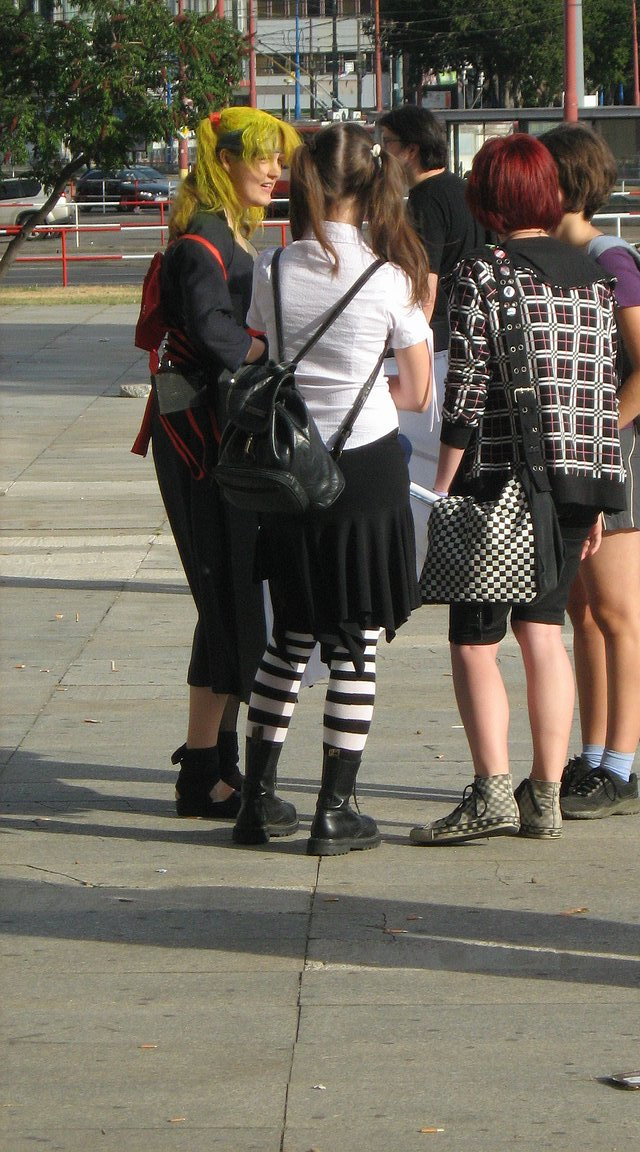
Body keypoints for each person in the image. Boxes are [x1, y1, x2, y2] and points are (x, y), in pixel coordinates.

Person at [409, 133, 627, 847]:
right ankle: (547, 795)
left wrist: (442, 487)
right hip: (576, 484)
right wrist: (601, 498)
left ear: (488, 198)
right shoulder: (594, 277)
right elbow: (601, 392)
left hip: (497, 483)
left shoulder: (483, 271)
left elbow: (467, 391)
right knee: (543, 631)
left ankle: (491, 791)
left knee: (476, 640)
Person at [233, 123, 432, 856]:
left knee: (288, 637)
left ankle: (257, 801)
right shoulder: (390, 279)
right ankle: (335, 808)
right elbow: (417, 391)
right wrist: (367, 383)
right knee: (355, 642)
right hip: (365, 468)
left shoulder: (272, 267)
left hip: (290, 470)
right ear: (375, 185)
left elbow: (261, 357)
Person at [144, 106, 300, 823]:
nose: (275, 171)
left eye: (279, 158)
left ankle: (211, 766)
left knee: (229, 603)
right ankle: (212, 771)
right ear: (224, 160)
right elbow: (215, 333)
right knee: (227, 599)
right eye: (262, 157)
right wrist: (271, 352)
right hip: (200, 444)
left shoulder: (221, 232)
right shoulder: (203, 239)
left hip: (213, 438)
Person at [538, 123, 640, 822]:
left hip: (609, 451)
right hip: (575, 451)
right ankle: (591, 757)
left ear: (562, 183)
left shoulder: (608, 259)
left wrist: (600, 434)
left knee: (618, 610)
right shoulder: (555, 256)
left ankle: (620, 767)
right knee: (582, 611)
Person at [378, 105, 485, 351]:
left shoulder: (425, 200)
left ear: (411, 150)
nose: (383, 152)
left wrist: (410, 349)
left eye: (388, 142)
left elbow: (426, 285)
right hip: (470, 327)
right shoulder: (463, 189)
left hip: (438, 337)